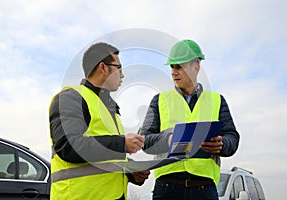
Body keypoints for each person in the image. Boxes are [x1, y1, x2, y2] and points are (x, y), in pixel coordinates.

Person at [140, 39, 240, 200]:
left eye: (179, 66)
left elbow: (232, 138)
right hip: (167, 187)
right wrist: (168, 139)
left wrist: (222, 144)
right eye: (172, 67)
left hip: (204, 188)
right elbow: (144, 140)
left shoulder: (217, 100)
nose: (173, 72)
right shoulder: (159, 100)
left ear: (196, 67)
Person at [49, 42, 150, 200]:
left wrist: (131, 172)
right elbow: (68, 146)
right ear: (103, 68)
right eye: (119, 68)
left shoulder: (110, 109)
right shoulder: (71, 97)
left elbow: (108, 158)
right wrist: (122, 144)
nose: (122, 75)